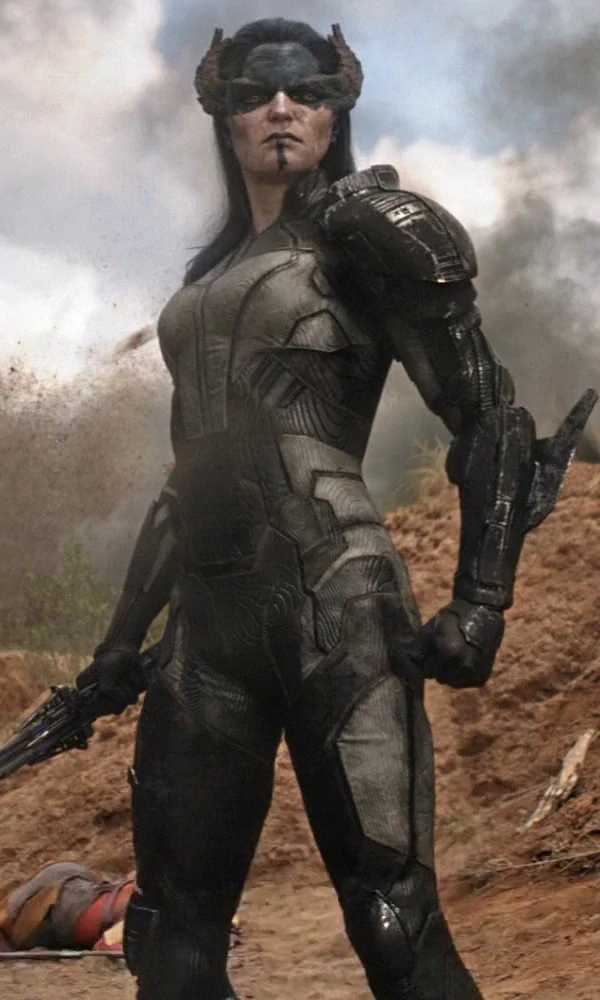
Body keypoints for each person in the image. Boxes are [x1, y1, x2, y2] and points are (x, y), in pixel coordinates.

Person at [75, 17, 590, 999]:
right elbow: (187, 480)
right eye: (256, 94)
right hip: (208, 633)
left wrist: (483, 599)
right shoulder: (205, 283)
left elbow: (489, 414)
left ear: (336, 109)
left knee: (392, 919)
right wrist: (119, 640)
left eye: (305, 92)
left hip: (338, 607)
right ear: (225, 116)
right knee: (172, 940)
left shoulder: (370, 232)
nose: (281, 109)